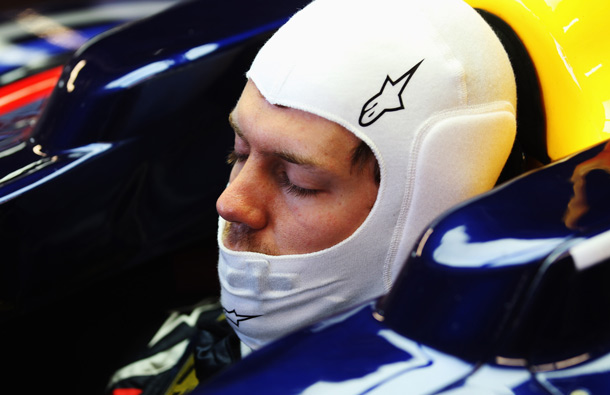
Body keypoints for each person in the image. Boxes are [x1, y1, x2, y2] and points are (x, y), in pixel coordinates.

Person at [107, 0, 517, 392]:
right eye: (239, 152)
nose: (230, 203)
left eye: (298, 181)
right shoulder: (169, 351)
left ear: (425, 208)